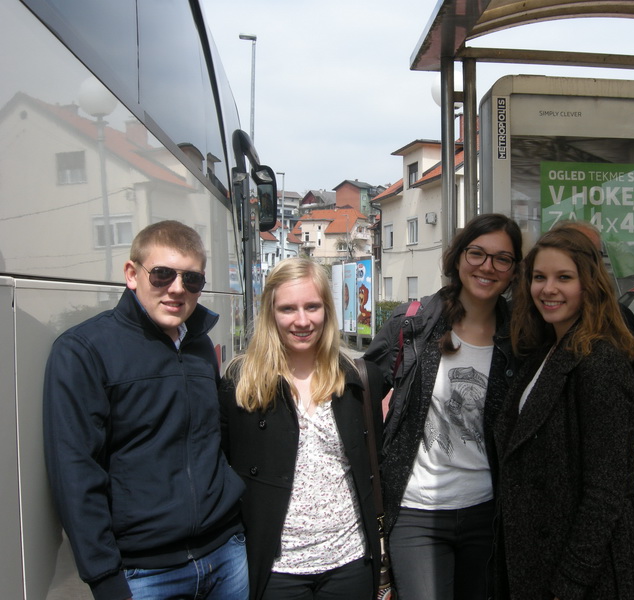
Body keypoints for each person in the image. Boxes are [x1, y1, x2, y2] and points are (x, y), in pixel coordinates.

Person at [43, 220, 247, 600]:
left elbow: (215, 441)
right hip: (144, 573)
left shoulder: (200, 345)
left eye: (192, 279)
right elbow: (75, 473)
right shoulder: (83, 351)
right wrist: (104, 577)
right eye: (162, 274)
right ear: (131, 274)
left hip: (226, 555)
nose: (177, 288)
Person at [363, 213, 523, 600]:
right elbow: (360, 395)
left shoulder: (521, 338)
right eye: (477, 253)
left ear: (514, 270)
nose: (487, 266)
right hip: (416, 514)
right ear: (458, 257)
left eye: (502, 258)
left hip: (488, 513)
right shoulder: (413, 325)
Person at [494, 226, 634, 600]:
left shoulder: (600, 362)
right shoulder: (549, 350)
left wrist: (569, 584)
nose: (548, 289)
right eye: (539, 277)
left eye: (564, 277)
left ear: (589, 284)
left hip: (590, 574)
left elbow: (606, 491)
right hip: (548, 561)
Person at [219, 258, 384, 600]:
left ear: (327, 310)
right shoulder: (241, 384)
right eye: (288, 309)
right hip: (277, 570)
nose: (302, 321)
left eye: (312, 306)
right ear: (270, 313)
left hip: (350, 562)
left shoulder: (355, 379)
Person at [550, 219, 634, 435]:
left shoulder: (620, 321)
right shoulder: (526, 320)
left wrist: (632, 442)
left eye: (594, 255)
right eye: (578, 253)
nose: (587, 263)